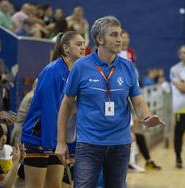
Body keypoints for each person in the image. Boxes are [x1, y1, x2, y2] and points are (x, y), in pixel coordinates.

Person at [56, 16, 164, 188]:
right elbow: (66, 103)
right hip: (89, 143)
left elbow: (137, 100)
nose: (120, 39)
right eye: (114, 35)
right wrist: (61, 142)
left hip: (120, 143)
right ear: (99, 39)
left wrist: (146, 117)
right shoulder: (81, 66)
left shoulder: (128, 67)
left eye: (120, 34)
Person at [21, 31, 85, 188]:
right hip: (39, 137)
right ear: (66, 48)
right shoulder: (53, 71)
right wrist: (52, 145)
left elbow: (72, 112)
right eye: (79, 44)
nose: (83, 47)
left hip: (57, 139)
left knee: (55, 186)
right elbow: (49, 111)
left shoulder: (74, 73)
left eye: (84, 44)